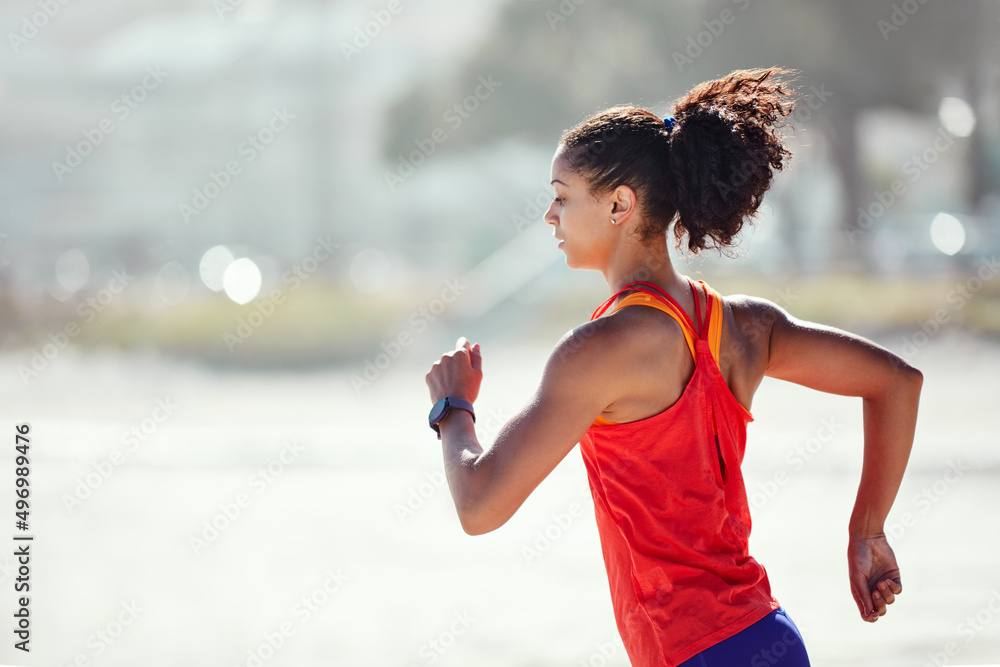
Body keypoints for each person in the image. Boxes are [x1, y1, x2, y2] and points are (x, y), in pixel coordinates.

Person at [423, 67, 922, 667]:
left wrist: (453, 408)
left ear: (619, 204)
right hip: (771, 638)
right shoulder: (744, 325)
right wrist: (867, 529)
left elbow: (479, 506)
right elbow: (896, 381)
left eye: (561, 195)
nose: (549, 216)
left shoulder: (598, 350)